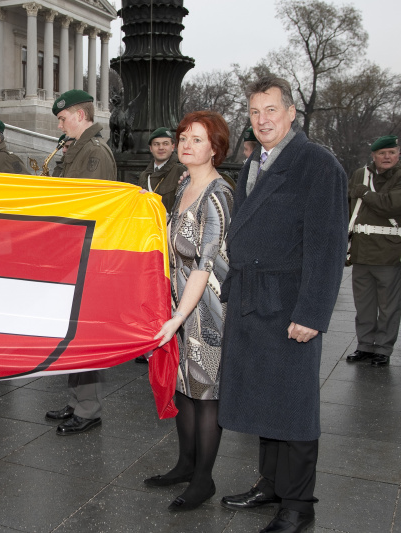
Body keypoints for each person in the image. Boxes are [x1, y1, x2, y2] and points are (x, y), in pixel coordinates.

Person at [217, 75, 347, 533]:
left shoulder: (317, 164)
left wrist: (311, 314)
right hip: (254, 299)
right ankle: (270, 484)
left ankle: (297, 504)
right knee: (261, 397)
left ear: (291, 113)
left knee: (292, 405)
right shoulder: (255, 162)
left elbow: (327, 247)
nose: (262, 120)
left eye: (271, 110)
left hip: (289, 304)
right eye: (254, 112)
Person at [144, 111, 233, 512]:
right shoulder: (183, 186)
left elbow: (206, 263)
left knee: (205, 394)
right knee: (183, 388)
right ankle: (184, 464)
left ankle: (203, 480)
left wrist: (180, 317)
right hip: (178, 305)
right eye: (183, 137)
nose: (186, 144)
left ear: (214, 148)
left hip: (206, 312)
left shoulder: (218, 195)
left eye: (197, 139)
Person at [45, 89, 116, 436]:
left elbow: (91, 208)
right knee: (71, 332)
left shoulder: (94, 151)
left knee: (83, 333)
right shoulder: (78, 148)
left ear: (79, 115)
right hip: (72, 251)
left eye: (62, 117)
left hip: (87, 252)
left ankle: (89, 409)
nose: (59, 124)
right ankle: (76, 401)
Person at [345, 135, 401, 368]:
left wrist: (365, 194)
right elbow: (349, 207)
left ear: (398, 154)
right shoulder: (361, 175)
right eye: (382, 153)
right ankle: (365, 345)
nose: (387, 157)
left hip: (389, 252)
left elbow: (392, 204)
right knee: (364, 304)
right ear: (373, 155)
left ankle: (383, 348)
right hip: (362, 251)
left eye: (391, 152)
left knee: (388, 305)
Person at [133, 127, 188, 364]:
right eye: (156, 144)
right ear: (150, 148)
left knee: (168, 291)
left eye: (166, 143)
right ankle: (149, 342)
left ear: (173, 147)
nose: (161, 148)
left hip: (169, 239)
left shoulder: (181, 172)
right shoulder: (143, 174)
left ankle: (167, 340)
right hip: (149, 239)